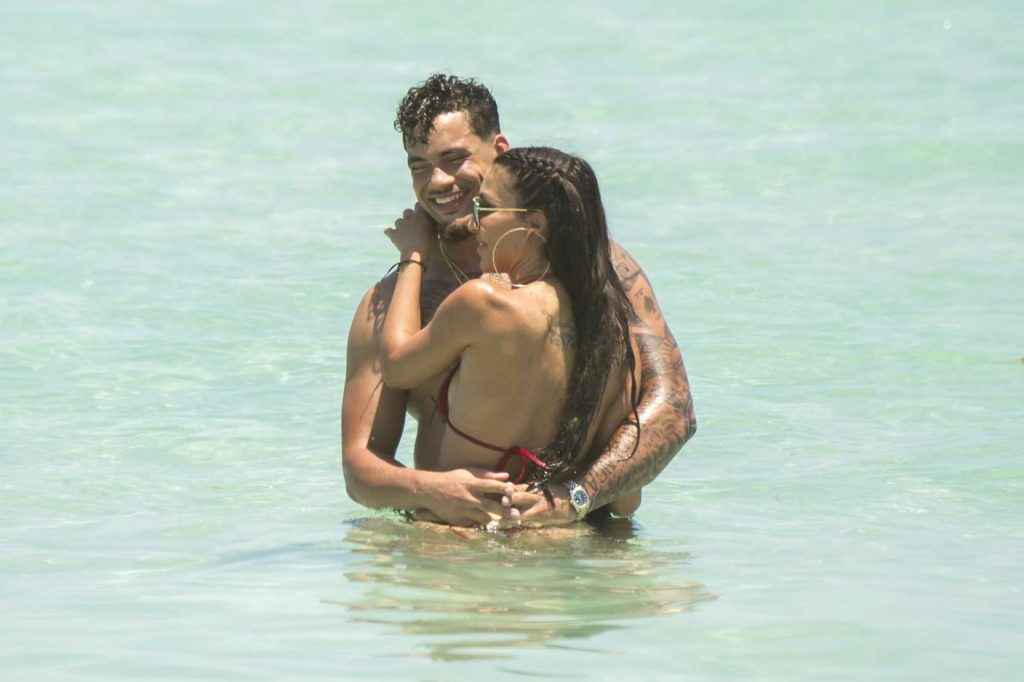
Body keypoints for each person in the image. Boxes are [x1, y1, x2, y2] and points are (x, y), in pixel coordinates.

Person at [341, 74, 695, 527]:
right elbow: (361, 469)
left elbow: (675, 409)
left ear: (500, 150)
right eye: (418, 166)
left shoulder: (599, 268)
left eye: (454, 159)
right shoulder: (394, 304)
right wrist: (432, 489)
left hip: (587, 539)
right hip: (464, 546)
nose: (437, 182)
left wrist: (575, 497)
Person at [381, 147, 642, 523]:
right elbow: (626, 501)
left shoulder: (484, 303)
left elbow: (395, 367)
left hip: (461, 541)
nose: (475, 224)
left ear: (535, 224)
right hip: (555, 541)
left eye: (484, 208)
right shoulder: (611, 328)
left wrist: (413, 255)